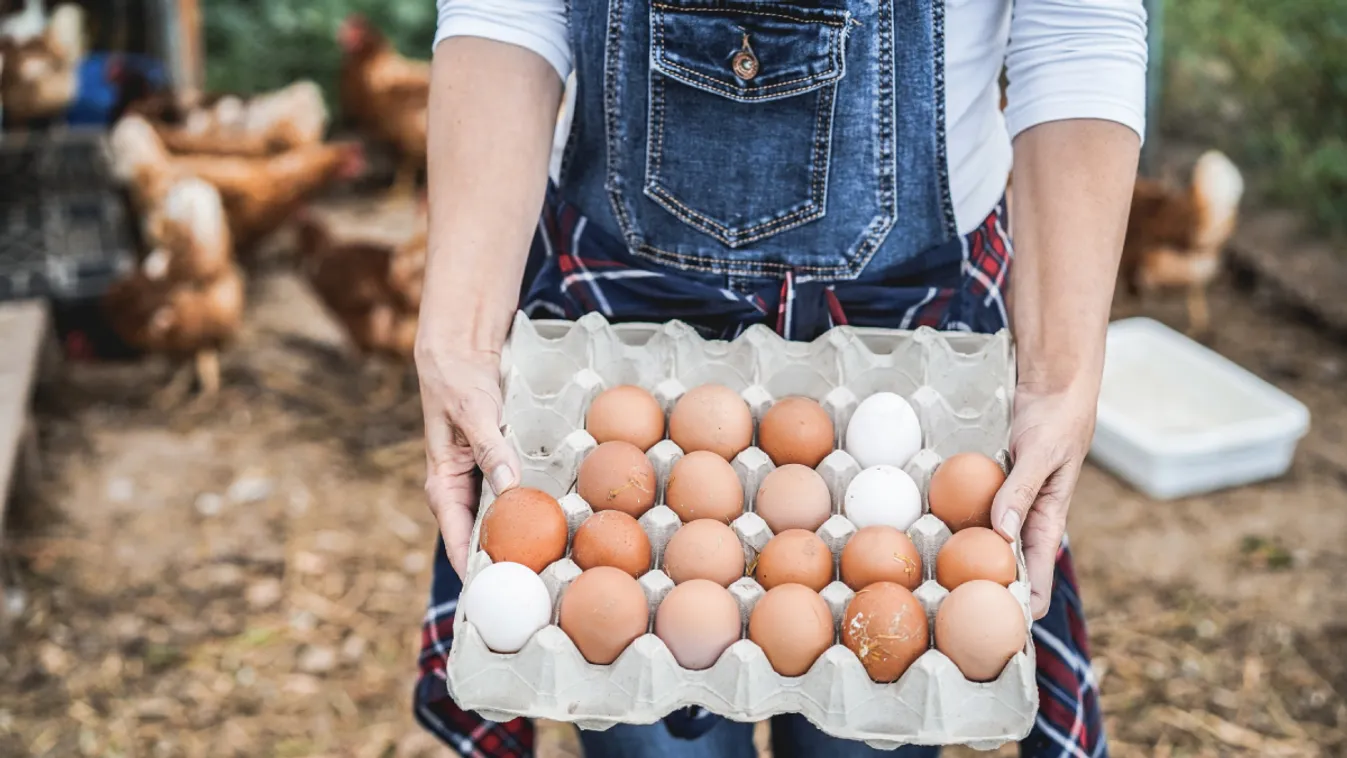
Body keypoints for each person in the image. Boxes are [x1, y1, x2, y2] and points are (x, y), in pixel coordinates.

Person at [413, 0, 1145, 755]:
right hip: (624, 319)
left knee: (873, 701)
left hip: (908, 324)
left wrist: (1060, 374)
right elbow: (505, 10)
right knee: (647, 711)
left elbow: (1079, 30)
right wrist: (460, 334)